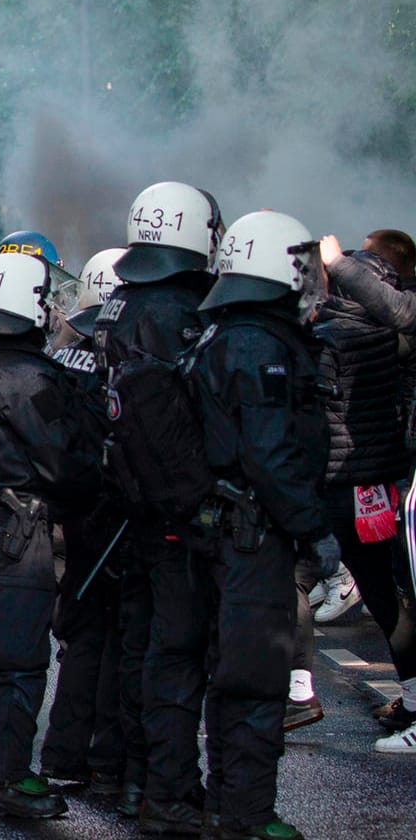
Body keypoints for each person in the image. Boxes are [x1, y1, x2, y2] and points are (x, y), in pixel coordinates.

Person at [151, 211, 336, 840]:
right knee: (255, 681)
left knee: (217, 672)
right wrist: (314, 528)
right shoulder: (259, 344)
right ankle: (247, 816)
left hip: (213, 531)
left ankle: (222, 804)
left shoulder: (220, 334)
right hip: (251, 537)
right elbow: (269, 453)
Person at [0, 252, 100, 819]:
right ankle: (8, 777)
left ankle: (5, 772)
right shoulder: (31, 378)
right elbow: (66, 464)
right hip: (23, 528)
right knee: (20, 660)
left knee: (4, 652)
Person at [91, 179, 222, 822]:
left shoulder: (118, 300)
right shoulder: (179, 310)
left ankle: (136, 778)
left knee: (140, 641)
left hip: (129, 497)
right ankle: (167, 787)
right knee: (175, 651)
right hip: (177, 505)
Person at [310, 230, 416, 753]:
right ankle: (414, 699)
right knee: (385, 592)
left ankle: (294, 693)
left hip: (342, 485)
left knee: (285, 580)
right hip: (374, 485)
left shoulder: (333, 335)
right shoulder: (384, 336)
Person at [38, 247, 128, 794]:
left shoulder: (63, 350)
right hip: (109, 506)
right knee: (113, 633)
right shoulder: (116, 348)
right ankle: (104, 756)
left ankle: (64, 752)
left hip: (66, 506)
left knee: (80, 630)